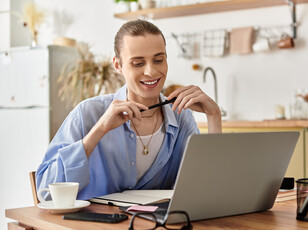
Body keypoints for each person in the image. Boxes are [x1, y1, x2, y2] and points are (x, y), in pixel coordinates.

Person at [36, 19, 221, 200]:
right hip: (94, 227)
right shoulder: (88, 113)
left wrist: (214, 116)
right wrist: (99, 130)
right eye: (138, 63)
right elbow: (45, 191)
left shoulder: (181, 117)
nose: (151, 71)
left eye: (158, 60)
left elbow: (208, 189)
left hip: (155, 228)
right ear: (118, 65)